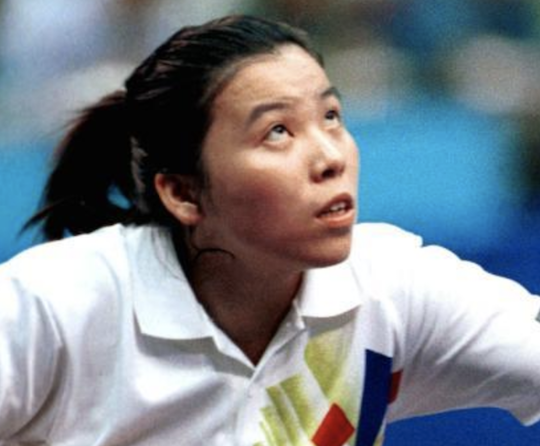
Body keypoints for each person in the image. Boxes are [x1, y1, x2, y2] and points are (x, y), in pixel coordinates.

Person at [1, 14, 539, 446]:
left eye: (331, 116)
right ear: (183, 193)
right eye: (277, 132)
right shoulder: (54, 307)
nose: (330, 157)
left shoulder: (391, 290)